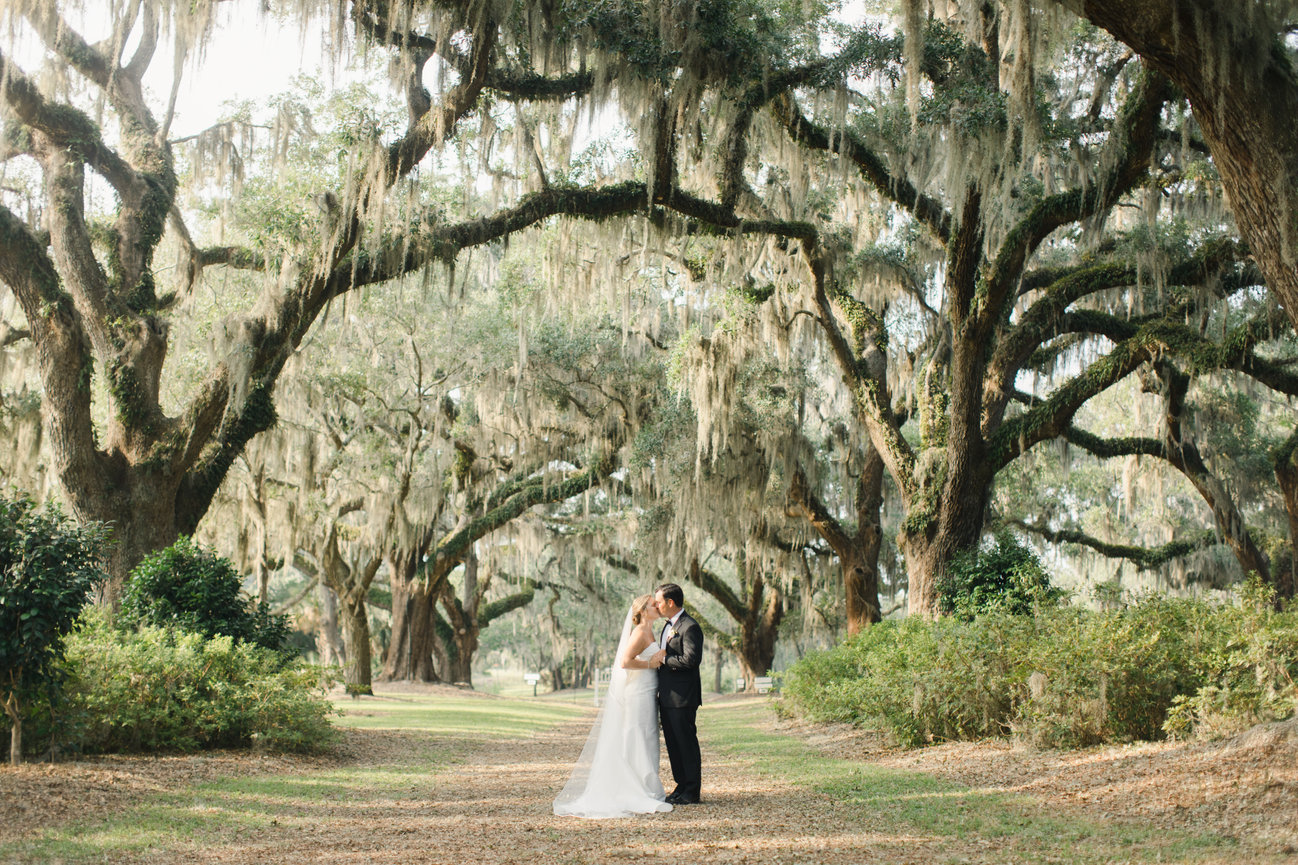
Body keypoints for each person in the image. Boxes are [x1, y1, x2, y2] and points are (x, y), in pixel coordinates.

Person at [552, 594, 673, 819]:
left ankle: (646, 784)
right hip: (637, 693)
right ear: (643, 611)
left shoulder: (650, 630)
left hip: (647, 690)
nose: (657, 606)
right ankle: (636, 788)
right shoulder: (639, 633)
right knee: (638, 736)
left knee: (647, 736)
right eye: (652, 605)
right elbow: (625, 662)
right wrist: (650, 663)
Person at [649, 582, 703, 804]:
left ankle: (692, 790)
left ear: (670, 602)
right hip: (668, 697)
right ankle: (681, 786)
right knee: (673, 744)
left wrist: (664, 659)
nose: (656, 605)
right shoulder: (669, 626)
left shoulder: (689, 627)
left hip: (683, 697)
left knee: (686, 744)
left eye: (659, 602)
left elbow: (691, 660)